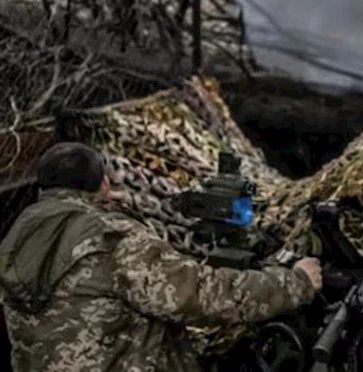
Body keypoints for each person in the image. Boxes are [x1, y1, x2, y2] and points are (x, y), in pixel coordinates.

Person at [0, 142, 323, 371]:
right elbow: (201, 295)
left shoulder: (21, 233)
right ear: (103, 182)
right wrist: (296, 282)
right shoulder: (112, 237)